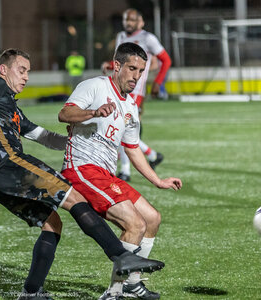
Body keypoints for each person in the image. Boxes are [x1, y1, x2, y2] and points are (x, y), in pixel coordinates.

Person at [0, 48, 164, 300]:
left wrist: (76, 141)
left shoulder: (10, 108)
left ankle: (31, 292)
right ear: (3, 70)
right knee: (73, 196)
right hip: (7, 163)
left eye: (28, 72)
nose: (26, 77)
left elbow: (41, 136)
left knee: (52, 223)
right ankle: (120, 254)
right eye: (21, 70)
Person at [59, 43, 182, 300]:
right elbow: (65, 113)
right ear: (117, 66)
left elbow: (133, 149)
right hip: (81, 168)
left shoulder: (131, 107)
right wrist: (93, 112)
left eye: (141, 70)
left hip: (105, 174)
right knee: (134, 224)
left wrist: (158, 180)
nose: (137, 76)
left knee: (152, 218)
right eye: (132, 68)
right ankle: (114, 293)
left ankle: (131, 284)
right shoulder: (95, 86)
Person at [103, 9, 171, 182]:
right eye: (126, 19)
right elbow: (121, 62)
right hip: (119, 87)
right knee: (119, 126)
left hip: (137, 90)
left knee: (122, 127)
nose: (128, 22)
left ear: (140, 21)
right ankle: (153, 155)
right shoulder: (120, 37)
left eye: (132, 19)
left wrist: (158, 83)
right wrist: (110, 65)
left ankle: (125, 170)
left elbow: (166, 60)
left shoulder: (148, 38)